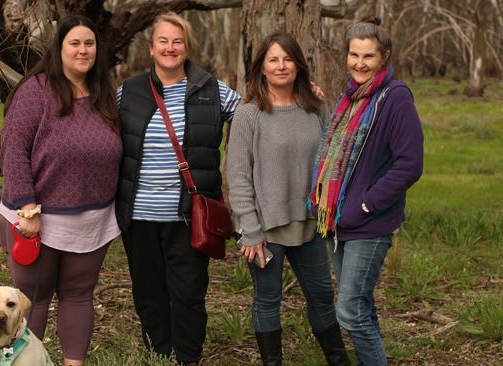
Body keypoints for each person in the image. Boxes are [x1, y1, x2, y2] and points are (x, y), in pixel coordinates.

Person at [115, 12, 242, 365]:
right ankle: (160, 353)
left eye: (178, 41)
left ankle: (187, 358)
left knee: (188, 294)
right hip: (138, 216)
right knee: (148, 292)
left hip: (189, 216)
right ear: (151, 47)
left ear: (187, 47)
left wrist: (298, 93)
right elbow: (96, 126)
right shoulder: (130, 91)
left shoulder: (211, 89)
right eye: (163, 41)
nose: (170, 48)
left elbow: (254, 113)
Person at [0, 15, 121, 366]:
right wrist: (27, 208)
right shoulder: (36, 91)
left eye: (90, 43)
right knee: (34, 298)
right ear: (60, 48)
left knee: (78, 296)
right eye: (75, 43)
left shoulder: (104, 94)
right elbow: (13, 149)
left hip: (91, 219)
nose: (83, 50)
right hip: (37, 218)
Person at [227, 32, 350, 366]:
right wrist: (249, 230)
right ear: (262, 68)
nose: (281, 66)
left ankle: (339, 360)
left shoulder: (316, 106)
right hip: (264, 230)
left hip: (308, 225)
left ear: (298, 65)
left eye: (287, 59)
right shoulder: (249, 113)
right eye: (273, 60)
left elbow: (332, 159)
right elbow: (237, 175)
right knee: (267, 301)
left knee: (323, 297)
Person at [308, 17, 424, 366]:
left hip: (368, 223)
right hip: (340, 223)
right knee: (361, 307)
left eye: (369, 56)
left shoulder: (395, 98)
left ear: (384, 57)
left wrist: (365, 204)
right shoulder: (350, 99)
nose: (359, 63)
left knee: (350, 312)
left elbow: (409, 165)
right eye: (354, 54)